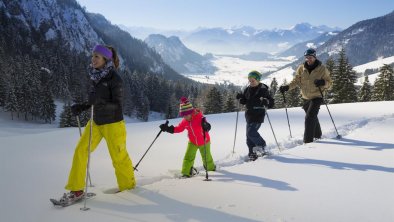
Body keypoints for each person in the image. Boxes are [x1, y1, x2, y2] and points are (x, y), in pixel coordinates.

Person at [61, 45, 136, 201]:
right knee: (80, 150)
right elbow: (94, 100)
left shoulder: (115, 79)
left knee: (119, 157)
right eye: (92, 56)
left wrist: (101, 103)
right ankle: (76, 190)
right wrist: (83, 106)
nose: (93, 59)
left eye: (97, 56)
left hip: (114, 124)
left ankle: (129, 188)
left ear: (105, 59)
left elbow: (118, 105)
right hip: (96, 122)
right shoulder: (95, 76)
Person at [279, 48, 332, 143]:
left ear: (315, 57)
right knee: (313, 117)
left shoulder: (322, 69)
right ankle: (317, 135)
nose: (308, 59)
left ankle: (308, 142)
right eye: (307, 57)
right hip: (305, 97)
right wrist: (287, 87)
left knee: (309, 117)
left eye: (310, 57)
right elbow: (296, 81)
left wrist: (323, 82)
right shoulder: (301, 68)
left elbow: (330, 83)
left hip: (317, 96)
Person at [159, 97, 216, 178]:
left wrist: (206, 126)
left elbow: (207, 126)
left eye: (186, 115)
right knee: (188, 157)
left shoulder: (200, 118)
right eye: (183, 115)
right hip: (192, 142)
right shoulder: (185, 121)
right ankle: (186, 172)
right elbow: (179, 128)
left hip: (204, 141)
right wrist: (168, 129)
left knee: (207, 158)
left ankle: (211, 169)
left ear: (191, 112)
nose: (185, 117)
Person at [236, 71, 274, 161]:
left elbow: (271, 102)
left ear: (258, 80)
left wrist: (266, 102)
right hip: (249, 114)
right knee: (248, 135)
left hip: (258, 114)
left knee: (251, 133)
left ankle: (262, 146)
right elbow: (245, 100)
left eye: (253, 80)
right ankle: (252, 152)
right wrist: (241, 98)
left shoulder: (263, 89)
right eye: (250, 80)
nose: (251, 82)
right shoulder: (247, 89)